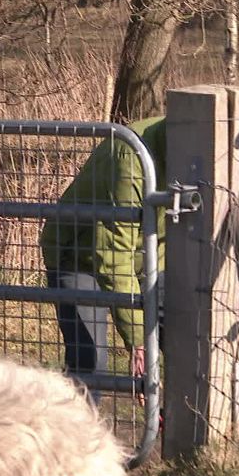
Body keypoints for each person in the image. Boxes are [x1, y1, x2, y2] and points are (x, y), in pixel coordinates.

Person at [39, 116, 166, 401]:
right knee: (90, 360)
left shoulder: (203, 154)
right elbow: (113, 254)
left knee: (184, 338)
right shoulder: (131, 156)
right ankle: (77, 437)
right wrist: (139, 341)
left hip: (145, 258)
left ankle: (179, 430)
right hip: (78, 255)